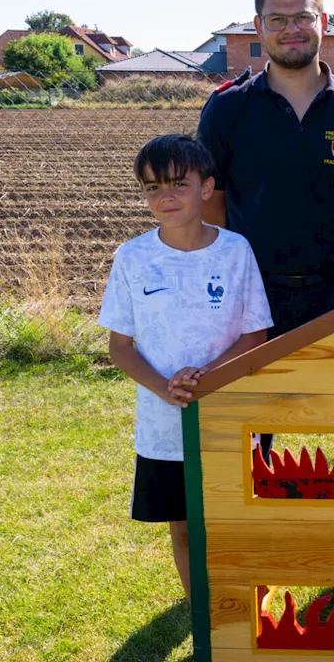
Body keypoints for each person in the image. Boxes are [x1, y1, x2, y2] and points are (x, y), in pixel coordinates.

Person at [98, 135, 272, 599]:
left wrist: (206, 379)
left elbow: (256, 336)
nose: (165, 196)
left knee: (236, 519)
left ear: (207, 187)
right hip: (163, 425)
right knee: (184, 527)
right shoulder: (133, 258)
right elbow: (120, 347)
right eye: (152, 187)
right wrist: (164, 387)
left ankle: (249, 603)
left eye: (178, 183)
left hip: (231, 416)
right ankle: (203, 614)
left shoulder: (236, 251)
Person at [197, 0, 334, 336]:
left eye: (303, 17)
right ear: (259, 26)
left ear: (323, 21)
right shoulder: (227, 108)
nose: (291, 29)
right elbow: (211, 205)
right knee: (260, 395)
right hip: (254, 298)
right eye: (277, 19)